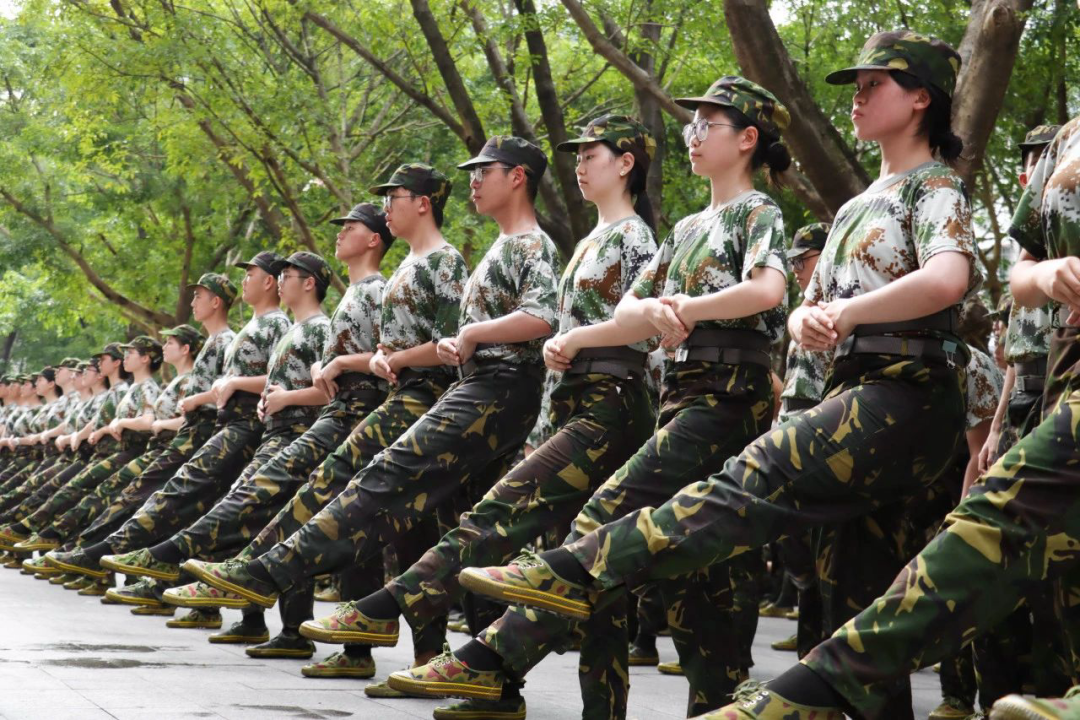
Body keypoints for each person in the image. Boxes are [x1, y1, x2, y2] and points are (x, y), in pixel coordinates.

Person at [419, 31, 980, 720]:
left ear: (921, 98)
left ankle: (557, 587)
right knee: (853, 605)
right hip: (838, 390)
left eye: (874, 85)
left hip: (901, 389)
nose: (857, 98)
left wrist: (835, 314)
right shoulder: (854, 206)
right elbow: (793, 310)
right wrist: (809, 322)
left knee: (746, 484)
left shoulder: (934, 185)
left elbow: (947, 278)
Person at [385, 78, 794, 717]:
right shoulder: (686, 227)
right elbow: (632, 310)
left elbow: (767, 290)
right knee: (693, 582)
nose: (692, 135)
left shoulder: (757, 211)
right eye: (690, 125)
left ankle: (489, 656)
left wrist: (681, 308)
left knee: (606, 529)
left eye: (707, 125)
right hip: (678, 394)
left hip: (728, 394)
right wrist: (609, 326)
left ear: (747, 139)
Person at [319, 115, 660, 719]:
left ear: (626, 163)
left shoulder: (633, 238)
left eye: (591, 153)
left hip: (611, 400)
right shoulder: (592, 240)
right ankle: (543, 696)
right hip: (574, 402)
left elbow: (643, 331)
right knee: (591, 570)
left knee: (501, 520)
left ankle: (394, 611)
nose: (580, 164)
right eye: (577, 154)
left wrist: (570, 340)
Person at [187, 137, 559, 686]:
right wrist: (395, 356)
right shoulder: (477, 254)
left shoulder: (493, 252)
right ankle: (467, 667)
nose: (476, 181)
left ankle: (267, 569)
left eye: (486, 171)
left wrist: (447, 343)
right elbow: (445, 340)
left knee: (373, 482)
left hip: (473, 393)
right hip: (458, 391)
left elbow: (536, 318)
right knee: (451, 529)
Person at [166, 165, 467, 668]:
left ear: (375, 237)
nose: (341, 233)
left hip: (401, 406)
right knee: (374, 524)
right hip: (384, 407)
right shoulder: (383, 282)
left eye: (351, 225)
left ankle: (247, 573)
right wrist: (337, 368)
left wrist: (344, 367)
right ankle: (384, 649)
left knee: (383, 520)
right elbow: (379, 353)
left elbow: (441, 345)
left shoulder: (403, 276)